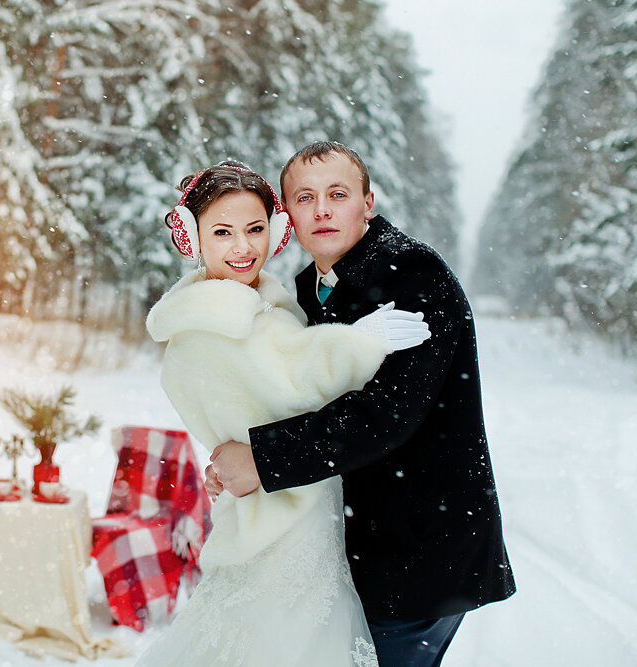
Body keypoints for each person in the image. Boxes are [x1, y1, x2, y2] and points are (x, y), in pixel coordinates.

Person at [207, 142, 516, 666]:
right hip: (356, 549)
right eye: (305, 197)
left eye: (337, 194)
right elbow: (300, 389)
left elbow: (386, 413)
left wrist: (262, 459)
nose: (321, 209)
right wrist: (235, 455)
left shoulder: (414, 277)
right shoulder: (309, 289)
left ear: (367, 204)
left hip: (418, 553)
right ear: (288, 214)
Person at [136, 161, 430, 666]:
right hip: (279, 521)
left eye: (254, 230)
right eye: (222, 232)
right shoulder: (214, 322)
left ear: (274, 232)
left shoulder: (256, 303)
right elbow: (291, 379)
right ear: (193, 237)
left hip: (290, 504)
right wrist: (358, 343)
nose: (242, 247)